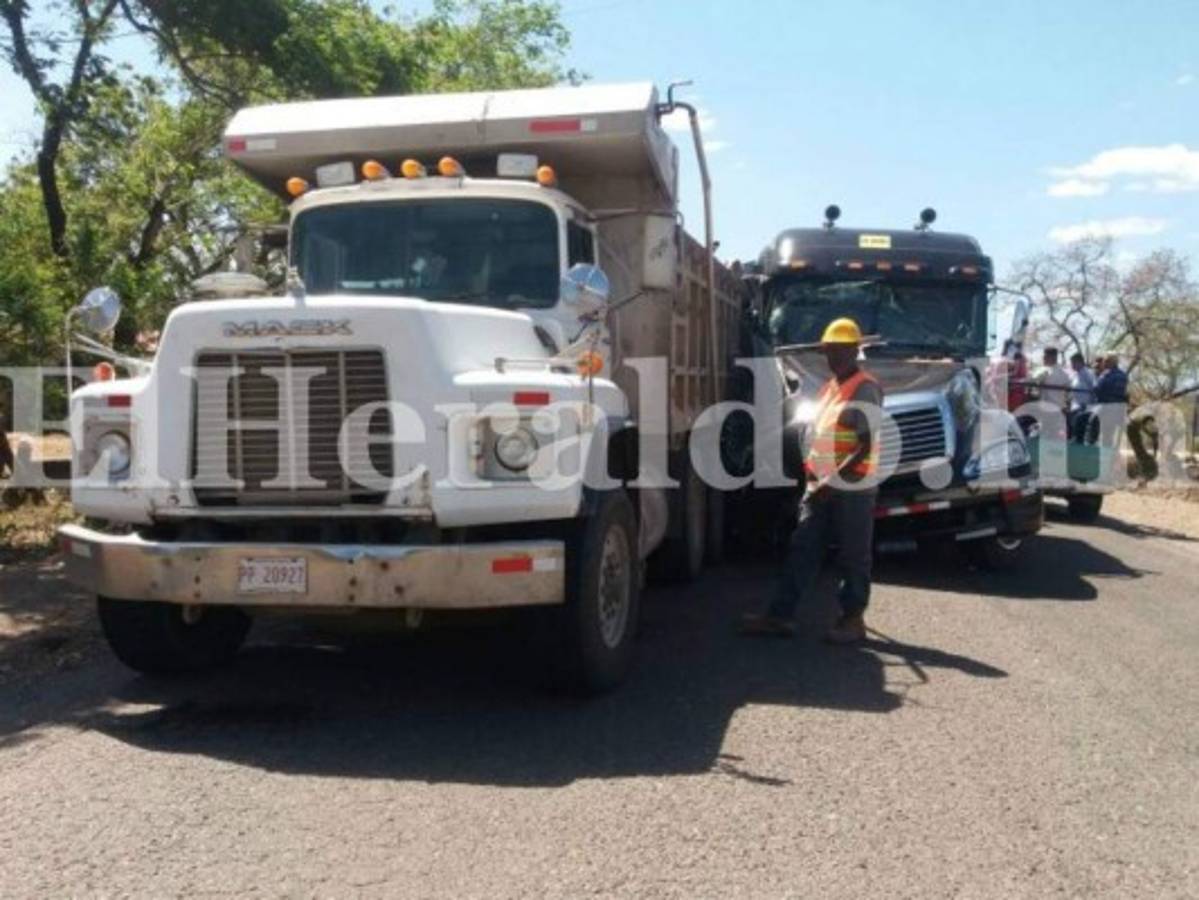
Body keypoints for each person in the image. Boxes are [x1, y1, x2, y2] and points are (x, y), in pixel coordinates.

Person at [740, 317, 883, 644]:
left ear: (854, 351)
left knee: (853, 554)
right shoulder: (831, 387)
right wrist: (814, 477)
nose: (832, 358)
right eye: (829, 352)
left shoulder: (864, 387)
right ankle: (780, 616)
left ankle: (852, 619)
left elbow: (865, 444)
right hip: (822, 486)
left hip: (851, 487)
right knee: (802, 548)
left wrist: (832, 480)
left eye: (838, 351)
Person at [1068, 352, 1097, 442]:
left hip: (1084, 407)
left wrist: (1090, 406)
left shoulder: (1088, 373)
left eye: (1073, 362)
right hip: (1074, 407)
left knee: (1080, 432)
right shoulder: (1075, 375)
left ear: (1079, 362)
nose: (1072, 365)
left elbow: (1093, 388)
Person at [1034, 347, 1071, 415]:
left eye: (1045, 356)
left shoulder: (1044, 372)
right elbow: (1069, 394)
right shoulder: (1065, 374)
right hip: (1058, 409)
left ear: (1051, 357)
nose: (1043, 358)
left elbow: (1032, 381)